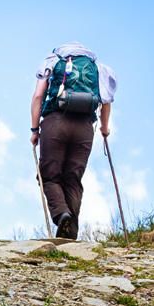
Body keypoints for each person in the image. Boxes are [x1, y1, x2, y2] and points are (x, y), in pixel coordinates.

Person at [30, 42, 116, 239]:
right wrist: (104, 129)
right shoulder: (98, 69)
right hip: (84, 128)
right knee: (73, 178)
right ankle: (70, 232)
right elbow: (106, 102)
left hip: (55, 122)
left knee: (48, 176)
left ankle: (62, 214)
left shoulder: (53, 61)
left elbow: (38, 96)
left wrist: (35, 130)